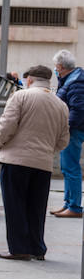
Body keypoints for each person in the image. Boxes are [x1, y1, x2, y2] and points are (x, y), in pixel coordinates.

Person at [0, 66, 70, 261]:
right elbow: (63, 140)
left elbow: (7, 125)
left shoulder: (20, 96)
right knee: (37, 207)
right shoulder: (60, 104)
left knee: (15, 205)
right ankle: (38, 248)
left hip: (16, 160)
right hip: (43, 163)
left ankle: (19, 248)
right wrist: (48, 150)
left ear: (29, 80)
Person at [52, 49, 84, 218]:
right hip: (72, 129)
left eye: (56, 67)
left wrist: (65, 130)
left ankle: (75, 207)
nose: (55, 70)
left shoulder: (76, 81)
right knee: (67, 167)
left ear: (61, 66)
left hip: (73, 130)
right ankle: (68, 203)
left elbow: (77, 110)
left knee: (71, 168)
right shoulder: (71, 79)